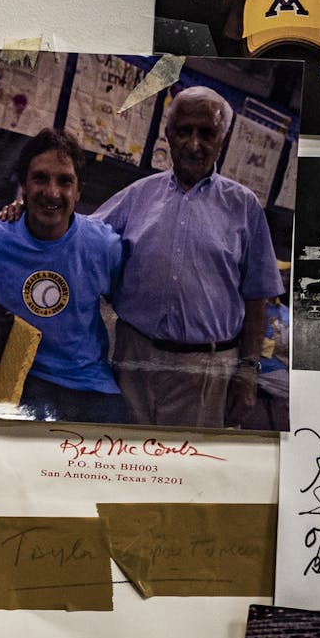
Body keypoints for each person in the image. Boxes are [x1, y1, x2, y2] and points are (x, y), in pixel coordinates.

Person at [94, 86, 285, 427]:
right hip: (133, 360)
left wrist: (248, 374)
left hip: (207, 373)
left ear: (223, 139)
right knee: (127, 465)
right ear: (168, 135)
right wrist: (23, 213)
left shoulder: (244, 207)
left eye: (207, 133)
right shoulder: (138, 196)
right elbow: (79, 238)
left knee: (189, 472)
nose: (194, 144)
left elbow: (257, 299)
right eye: (184, 131)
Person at [0, 128, 127, 423]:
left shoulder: (103, 245)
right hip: (17, 383)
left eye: (64, 181)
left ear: (78, 191)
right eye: (40, 178)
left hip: (89, 385)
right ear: (24, 187)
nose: (52, 192)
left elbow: (135, 300)